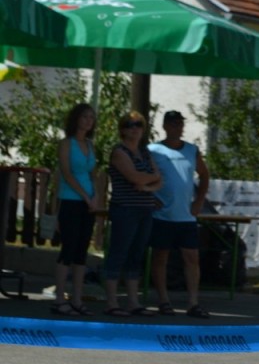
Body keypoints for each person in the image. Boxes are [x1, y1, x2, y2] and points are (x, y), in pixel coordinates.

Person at [149, 110, 211, 318]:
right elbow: (142, 177)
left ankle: (193, 302)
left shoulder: (192, 150)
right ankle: (163, 300)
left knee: (192, 257)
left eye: (180, 124)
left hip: (186, 215)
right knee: (160, 256)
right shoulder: (153, 150)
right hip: (162, 215)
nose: (177, 127)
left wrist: (199, 201)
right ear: (165, 126)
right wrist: (150, 197)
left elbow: (204, 175)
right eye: (173, 124)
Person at [103, 110, 162, 317]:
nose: (135, 129)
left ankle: (133, 302)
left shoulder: (145, 153)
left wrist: (147, 185)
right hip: (125, 209)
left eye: (139, 125)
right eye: (130, 125)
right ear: (122, 129)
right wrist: (150, 178)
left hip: (145, 208)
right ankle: (112, 302)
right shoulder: (119, 152)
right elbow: (133, 176)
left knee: (136, 255)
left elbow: (159, 180)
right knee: (118, 253)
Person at [50, 103, 98, 316]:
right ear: (76, 119)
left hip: (88, 204)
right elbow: (67, 173)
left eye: (91, 117)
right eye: (85, 117)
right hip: (70, 200)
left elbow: (92, 174)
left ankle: (77, 298)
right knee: (68, 249)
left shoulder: (90, 144)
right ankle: (60, 298)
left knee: (81, 251)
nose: (88, 121)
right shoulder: (66, 143)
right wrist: (84, 195)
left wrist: (95, 195)